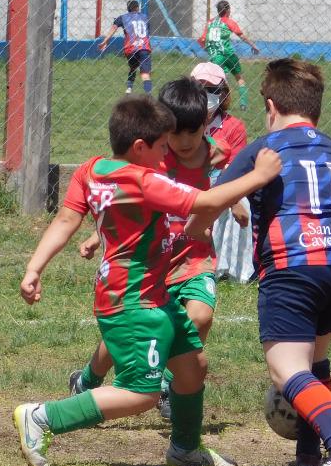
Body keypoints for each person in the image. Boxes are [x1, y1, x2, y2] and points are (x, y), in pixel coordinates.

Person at [12, 94, 281, 466]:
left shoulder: (91, 171)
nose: (166, 154)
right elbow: (204, 202)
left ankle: (185, 449)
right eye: (160, 146)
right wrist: (258, 176)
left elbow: (65, 222)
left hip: (149, 296)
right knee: (141, 392)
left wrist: (34, 268)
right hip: (133, 301)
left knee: (192, 368)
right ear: (140, 147)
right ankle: (42, 417)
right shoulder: (145, 181)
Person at [201, 59, 331, 466]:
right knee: (314, 360)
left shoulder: (265, 149)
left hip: (293, 266)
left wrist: (194, 222)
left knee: (286, 370)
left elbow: (215, 198)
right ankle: (309, 453)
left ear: (271, 106)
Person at [67, 78, 245, 419]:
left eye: (191, 134)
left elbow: (230, 176)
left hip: (193, 254)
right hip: (152, 261)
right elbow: (122, 204)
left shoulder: (214, 152)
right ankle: (89, 379)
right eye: (174, 135)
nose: (182, 143)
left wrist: (236, 202)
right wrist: (96, 235)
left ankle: (166, 382)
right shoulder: (153, 159)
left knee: (200, 315)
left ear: (206, 125)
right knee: (129, 333)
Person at [192, 61, 255, 282]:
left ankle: (231, 271)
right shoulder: (180, 122)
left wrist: (232, 198)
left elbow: (234, 171)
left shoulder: (233, 127)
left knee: (238, 201)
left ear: (223, 93)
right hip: (188, 187)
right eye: (200, 88)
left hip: (219, 187)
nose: (206, 95)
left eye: (212, 90)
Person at [199, 1, 259, 110]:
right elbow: (241, 36)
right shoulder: (228, 22)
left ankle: (216, 104)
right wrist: (253, 45)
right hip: (229, 55)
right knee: (240, 79)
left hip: (216, 56)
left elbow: (202, 40)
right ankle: (243, 104)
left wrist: (211, 50)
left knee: (215, 81)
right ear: (227, 10)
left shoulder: (210, 23)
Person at [99, 0, 152, 94]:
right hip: (144, 48)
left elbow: (114, 28)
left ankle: (129, 89)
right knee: (145, 73)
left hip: (130, 48)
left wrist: (105, 41)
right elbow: (147, 34)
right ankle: (148, 93)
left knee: (133, 68)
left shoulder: (122, 17)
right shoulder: (145, 17)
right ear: (137, 7)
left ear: (128, 8)